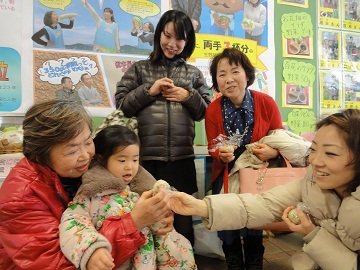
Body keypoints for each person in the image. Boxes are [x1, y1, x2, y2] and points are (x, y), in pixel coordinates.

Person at [171, 109, 360, 270]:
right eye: (313, 149)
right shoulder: (311, 182)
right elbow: (263, 204)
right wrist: (200, 207)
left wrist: (311, 232)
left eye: (331, 153)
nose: (316, 161)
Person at [0, 100, 173, 269]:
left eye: (88, 142)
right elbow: (57, 263)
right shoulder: (20, 197)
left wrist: (157, 214)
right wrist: (135, 222)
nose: (85, 155)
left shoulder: (91, 165)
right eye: (72, 150)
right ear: (40, 155)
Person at [115, 9, 211, 246]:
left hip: (182, 159)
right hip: (146, 160)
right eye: (168, 36)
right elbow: (122, 105)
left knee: (183, 221)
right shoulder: (139, 69)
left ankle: (185, 261)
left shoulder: (193, 73)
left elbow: (205, 111)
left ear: (187, 41)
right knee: (147, 221)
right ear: (159, 34)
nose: (172, 44)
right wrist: (150, 90)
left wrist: (188, 95)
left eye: (180, 39)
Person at [59, 125, 196, 269]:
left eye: (135, 160)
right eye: (122, 161)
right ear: (101, 159)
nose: (130, 167)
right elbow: (73, 222)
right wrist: (91, 249)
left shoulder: (145, 189)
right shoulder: (92, 192)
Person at [205, 48, 283, 270]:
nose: (229, 79)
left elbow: (281, 139)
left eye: (234, 71)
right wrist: (219, 153)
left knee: (254, 219)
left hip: (257, 173)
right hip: (226, 173)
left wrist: (274, 152)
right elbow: (212, 146)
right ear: (216, 81)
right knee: (227, 219)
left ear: (247, 75)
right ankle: (234, 261)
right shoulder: (212, 110)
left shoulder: (266, 103)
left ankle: (255, 261)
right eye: (221, 74)